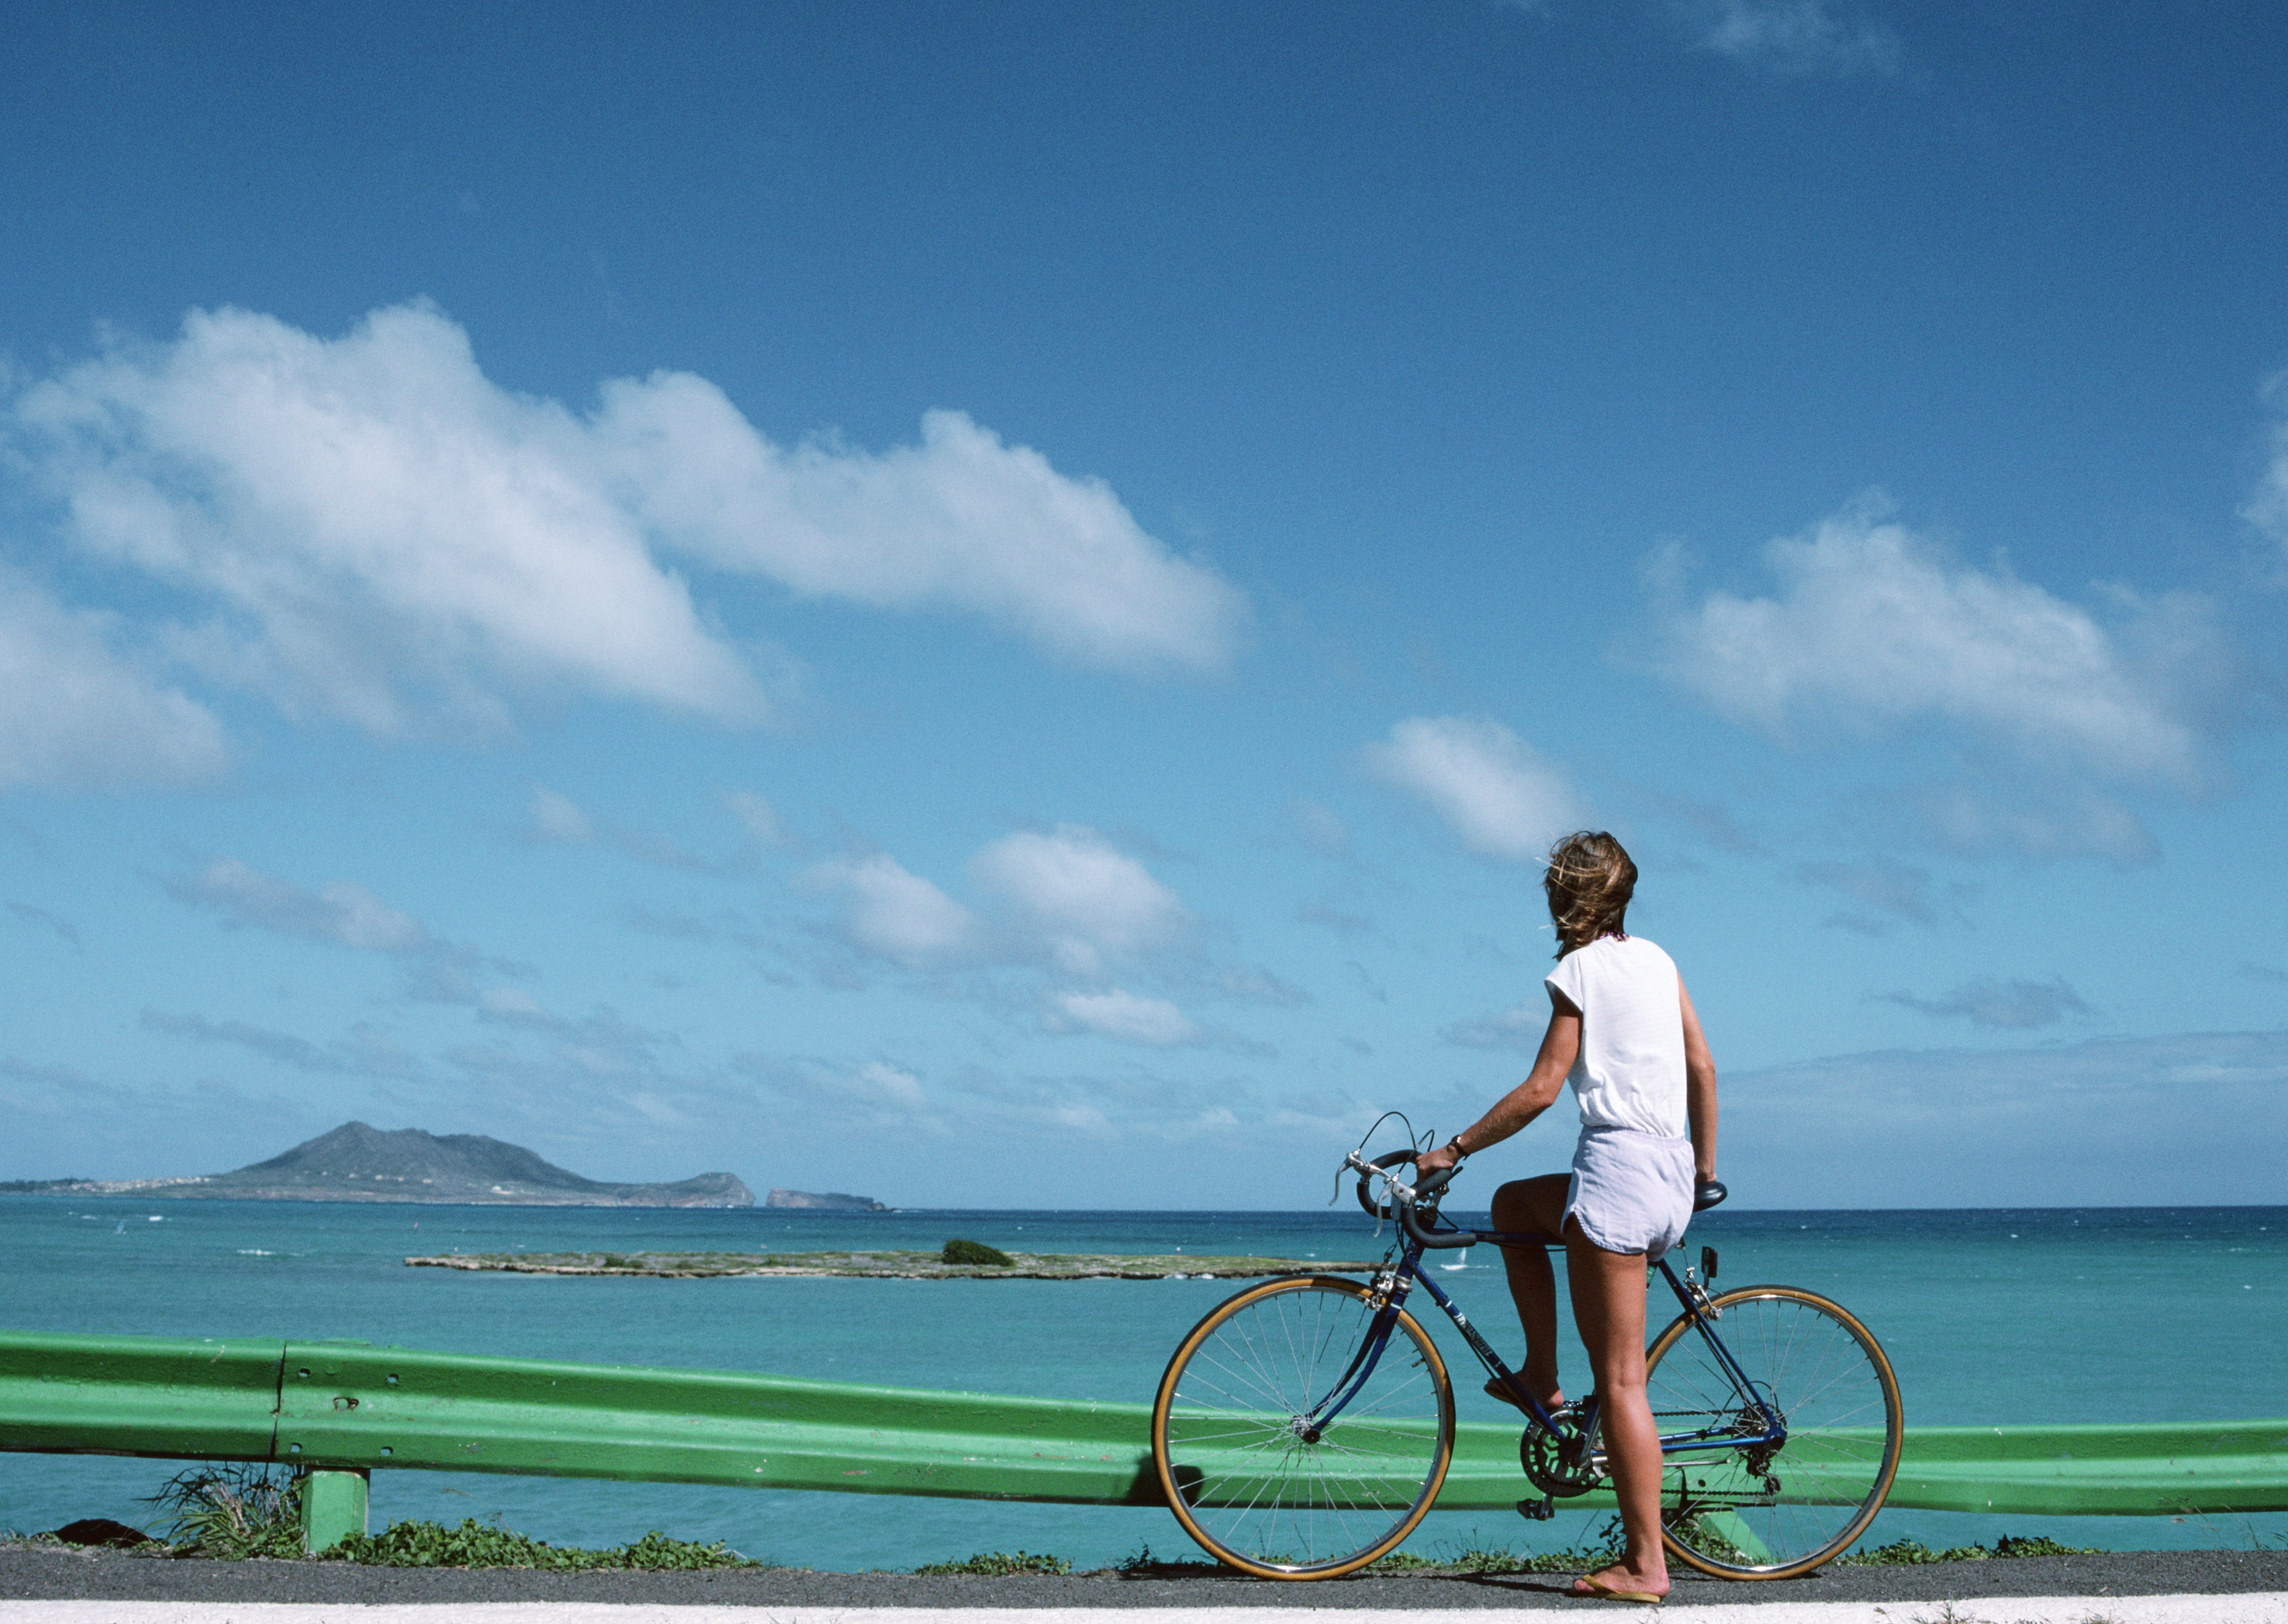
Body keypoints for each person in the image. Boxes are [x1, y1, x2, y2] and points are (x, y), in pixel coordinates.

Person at [1412, 831, 1717, 1605]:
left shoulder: (1577, 970)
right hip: (1670, 1169)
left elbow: (1543, 1088)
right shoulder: (1658, 960)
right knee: (1515, 1206)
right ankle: (1540, 1377)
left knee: (1621, 1384)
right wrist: (1705, 1172)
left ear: (1563, 897)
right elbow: (1703, 1067)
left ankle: (1647, 1564)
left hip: (1616, 1177)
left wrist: (1452, 1148)